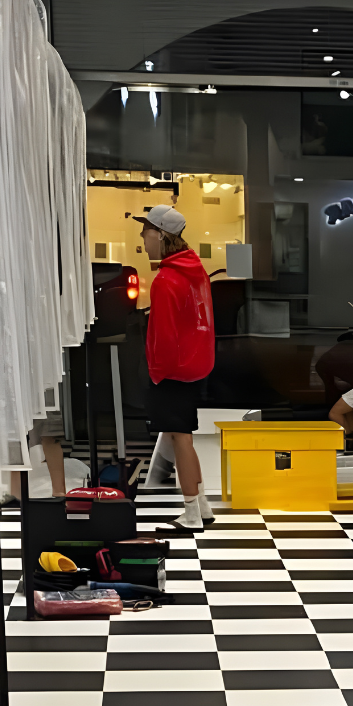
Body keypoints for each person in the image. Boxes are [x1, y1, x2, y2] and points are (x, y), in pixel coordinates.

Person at [135, 204, 215, 532]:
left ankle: (192, 512)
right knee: (183, 435)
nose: (142, 237)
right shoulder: (194, 272)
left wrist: (156, 371)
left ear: (159, 234)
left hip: (171, 370)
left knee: (180, 437)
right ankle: (202, 505)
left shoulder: (166, 279)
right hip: (194, 365)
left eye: (146, 231)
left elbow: (164, 334)